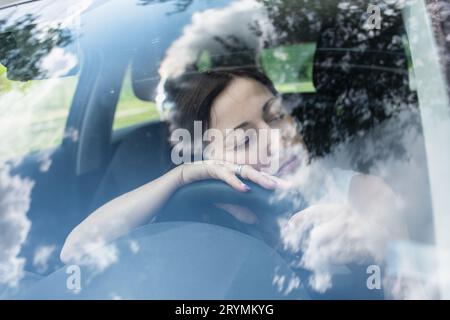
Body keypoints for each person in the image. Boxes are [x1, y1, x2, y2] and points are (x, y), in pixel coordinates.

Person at [60, 68, 402, 263]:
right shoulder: (193, 214)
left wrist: (377, 244)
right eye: (244, 140)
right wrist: (181, 176)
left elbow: (416, 279)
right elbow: (75, 250)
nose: (276, 139)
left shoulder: (361, 192)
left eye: (277, 116)